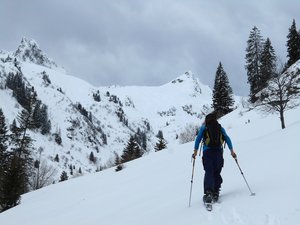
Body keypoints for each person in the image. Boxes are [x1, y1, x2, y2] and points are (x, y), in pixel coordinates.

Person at [193, 113, 236, 203]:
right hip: (218, 152)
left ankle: (209, 193)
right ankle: (216, 191)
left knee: (209, 171)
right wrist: (232, 151)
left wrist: (195, 151)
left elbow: (198, 139)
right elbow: (227, 138)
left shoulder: (204, 127)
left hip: (207, 152)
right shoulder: (220, 127)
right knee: (217, 171)